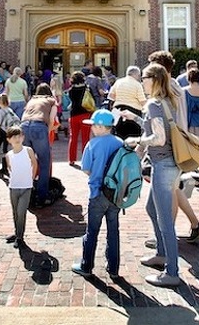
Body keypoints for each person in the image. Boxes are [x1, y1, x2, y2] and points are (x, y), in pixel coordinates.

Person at [122, 62, 183, 288]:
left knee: (165, 219)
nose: (141, 83)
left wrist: (136, 140)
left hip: (163, 165)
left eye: (144, 79)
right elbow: (158, 128)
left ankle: (172, 271)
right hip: (170, 163)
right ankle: (160, 253)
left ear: (154, 80)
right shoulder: (165, 102)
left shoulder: (154, 104)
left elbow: (158, 138)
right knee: (151, 209)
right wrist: (136, 118)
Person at [142, 50, 199, 248]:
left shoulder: (167, 89)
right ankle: (192, 225)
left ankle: (166, 238)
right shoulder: (176, 86)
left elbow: (164, 125)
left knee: (168, 193)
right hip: (176, 144)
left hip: (170, 148)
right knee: (172, 189)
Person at [71, 109, 124, 280]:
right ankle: (114, 269)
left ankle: (86, 266)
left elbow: (86, 169)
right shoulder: (120, 143)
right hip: (115, 194)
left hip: (97, 193)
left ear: (101, 126)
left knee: (92, 231)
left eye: (94, 125)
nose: (92, 128)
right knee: (113, 231)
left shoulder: (92, 144)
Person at [21, 83, 58, 206]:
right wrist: (46, 132)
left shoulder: (32, 100)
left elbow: (23, 116)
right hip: (39, 126)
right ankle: (42, 196)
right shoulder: (51, 101)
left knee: (27, 162)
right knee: (44, 162)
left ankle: (26, 193)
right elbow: (52, 119)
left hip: (24, 126)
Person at [4, 126, 37, 248]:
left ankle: (20, 236)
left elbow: (34, 163)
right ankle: (17, 232)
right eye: (14, 137)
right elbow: (10, 168)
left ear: (23, 137)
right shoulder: (9, 155)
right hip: (13, 187)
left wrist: (32, 177)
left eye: (19, 136)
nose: (17, 139)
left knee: (21, 211)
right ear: (9, 140)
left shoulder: (28, 150)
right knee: (15, 212)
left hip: (26, 187)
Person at [108, 66, 147, 140]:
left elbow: (111, 96)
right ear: (136, 75)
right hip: (133, 112)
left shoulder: (118, 81)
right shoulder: (137, 84)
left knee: (119, 136)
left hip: (118, 111)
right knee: (133, 137)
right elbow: (142, 101)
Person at [67, 71, 94, 165]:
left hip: (74, 115)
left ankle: (71, 159)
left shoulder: (70, 90)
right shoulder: (87, 89)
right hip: (85, 114)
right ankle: (85, 159)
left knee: (73, 138)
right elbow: (92, 99)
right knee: (85, 138)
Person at [0, 93, 19, 174]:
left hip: (2, 130)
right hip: (8, 131)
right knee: (5, 148)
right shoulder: (10, 110)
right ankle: (4, 168)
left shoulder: (0, 111)